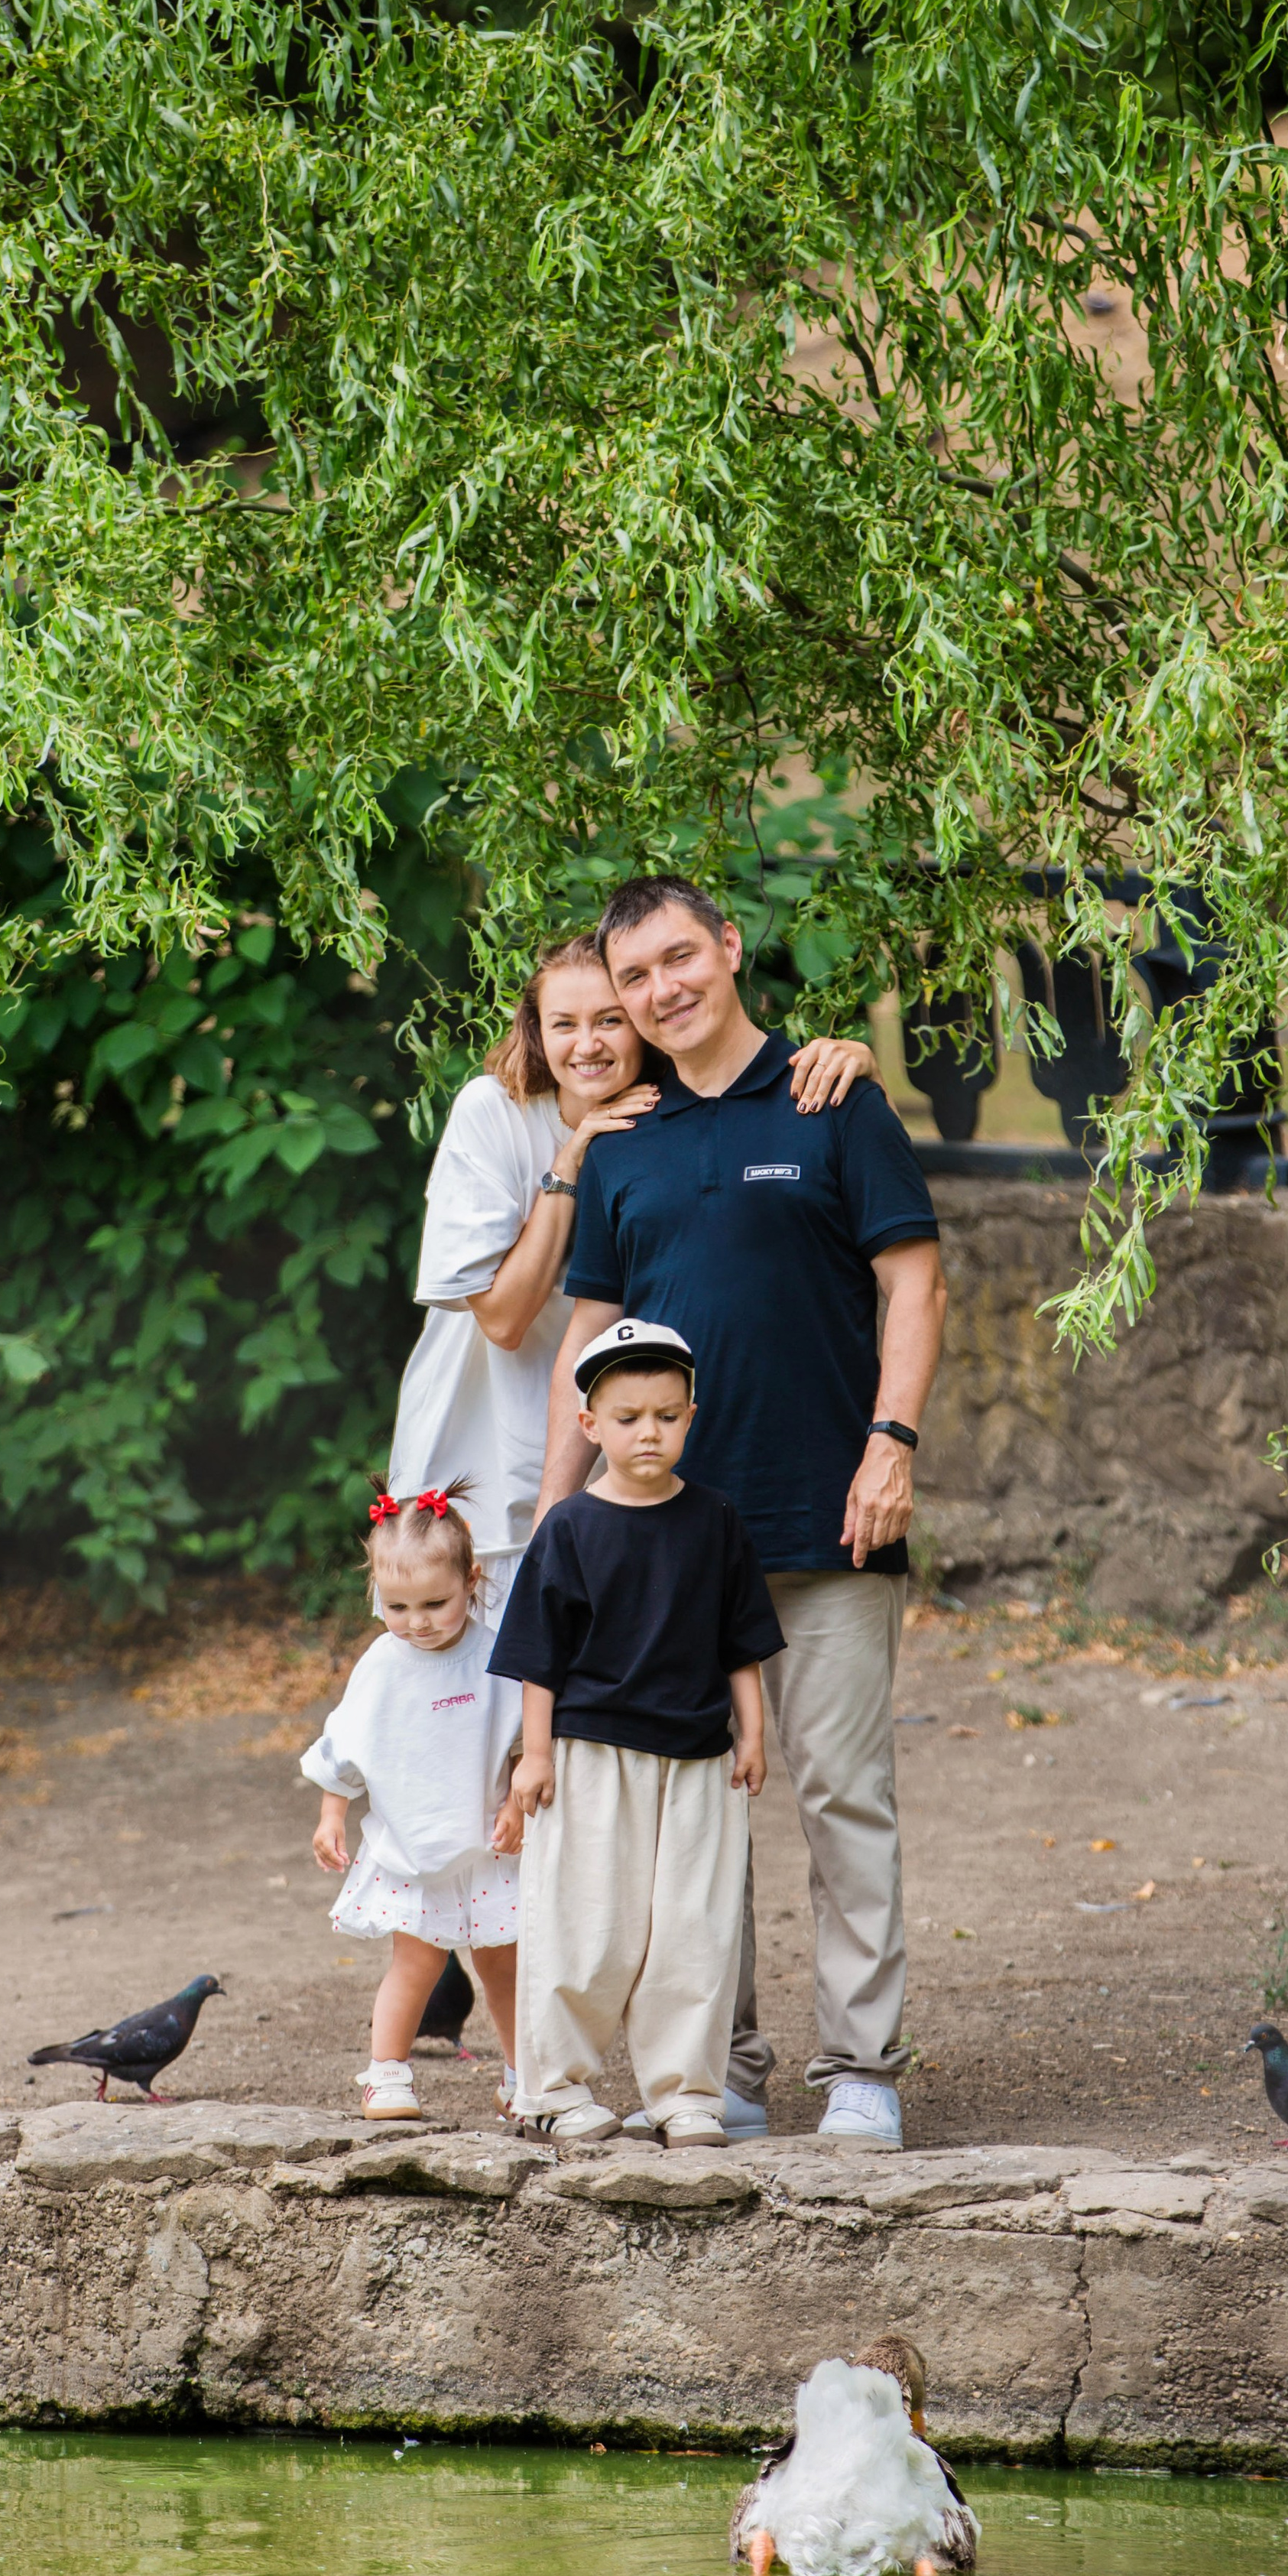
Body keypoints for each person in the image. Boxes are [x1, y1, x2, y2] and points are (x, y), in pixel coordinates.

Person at [537, 878, 947, 2152]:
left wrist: (892, 1444)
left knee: (842, 1798)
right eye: (637, 978)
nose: (664, 990)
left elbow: (914, 1282)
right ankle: (724, 2065)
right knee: (700, 1811)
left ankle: (861, 2069)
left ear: (727, 949)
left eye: (680, 959)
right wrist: (561, 1521)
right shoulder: (624, 1143)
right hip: (667, 1544)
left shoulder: (833, 1100)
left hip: (828, 1519)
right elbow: (588, 1340)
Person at [387, 935, 879, 1619]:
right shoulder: (493, 1112)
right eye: (563, 1024)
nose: (587, 1044)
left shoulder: (669, 1116)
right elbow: (501, 1320)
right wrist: (571, 1160)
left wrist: (857, 1057)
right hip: (479, 1450)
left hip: (615, 1452)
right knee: (465, 1692)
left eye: (610, 1020)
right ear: (536, 1029)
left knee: (593, 1702)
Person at [490, 1317, 785, 2148]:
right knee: (587, 1923)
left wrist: (752, 1733)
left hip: (697, 1758)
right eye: (627, 1418)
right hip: (590, 1757)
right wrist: (536, 1754)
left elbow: (742, 1641)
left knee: (692, 1932)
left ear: (692, 1415)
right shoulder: (570, 1529)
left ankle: (685, 2095)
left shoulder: (716, 1522)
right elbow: (537, 1658)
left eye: (665, 1415)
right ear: (590, 1426)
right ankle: (552, 2091)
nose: (647, 1432)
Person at [301, 1478, 524, 2122]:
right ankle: (386, 2075)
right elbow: (345, 1742)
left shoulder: (495, 1656)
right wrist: (331, 1814)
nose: (417, 1622)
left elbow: (518, 1741)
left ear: (472, 1581)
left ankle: (520, 2075)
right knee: (416, 1966)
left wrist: (515, 1806)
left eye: (434, 1602)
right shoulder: (383, 1663)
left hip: (488, 1843)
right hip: (413, 1841)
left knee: (503, 1967)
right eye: (397, 1607)